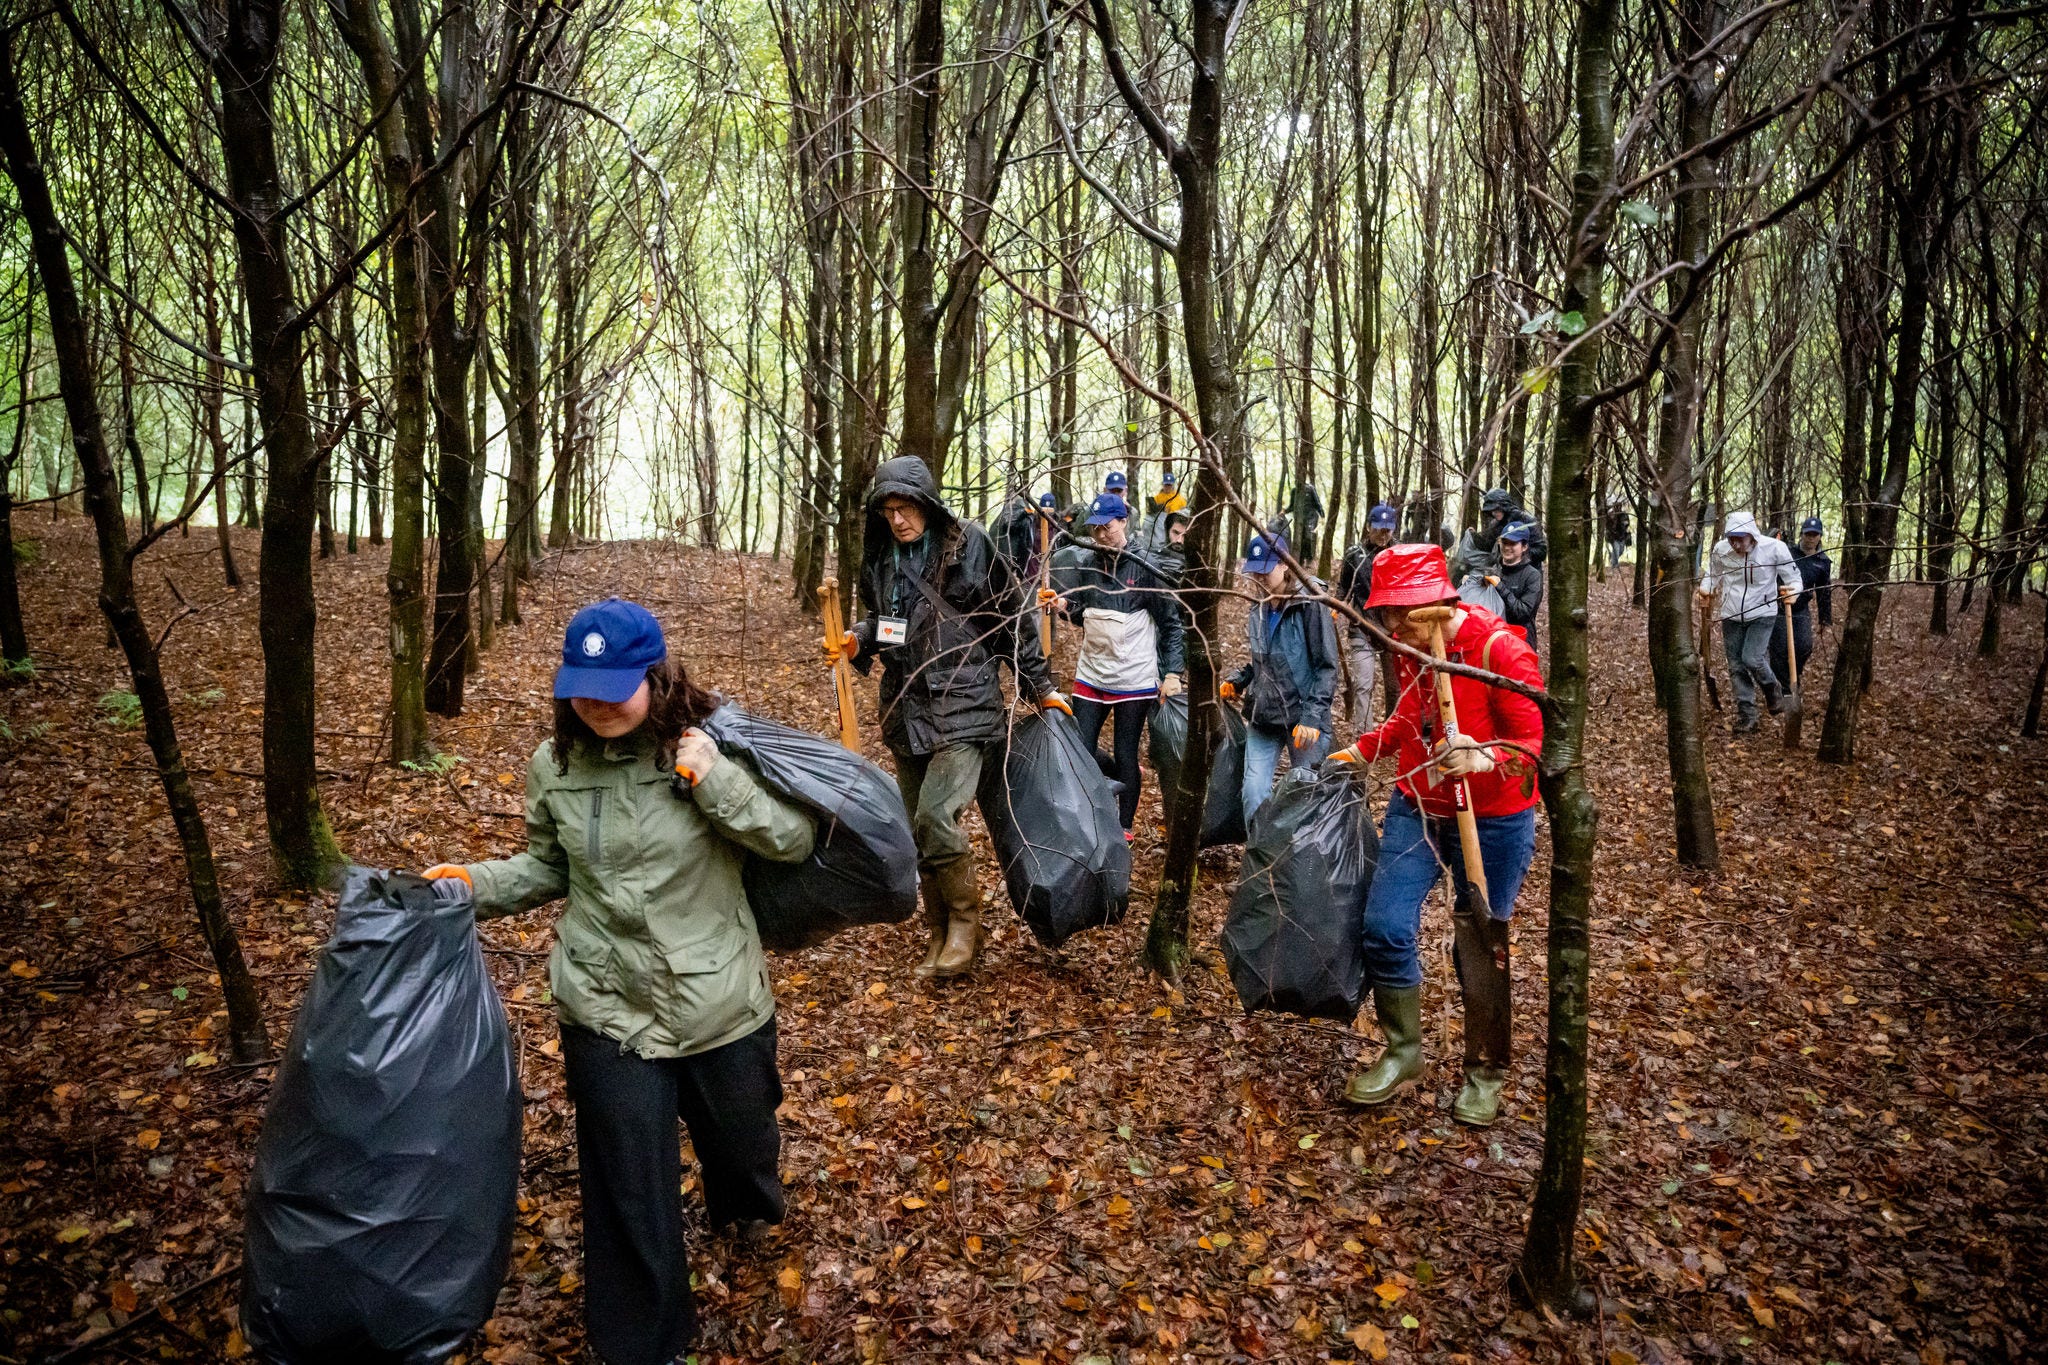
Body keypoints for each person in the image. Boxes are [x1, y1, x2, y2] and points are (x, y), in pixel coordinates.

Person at [422, 598, 815, 1365]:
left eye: (614, 687)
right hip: (606, 1005)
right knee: (628, 1185)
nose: (597, 703)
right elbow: (547, 866)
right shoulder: (556, 763)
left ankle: (744, 1207)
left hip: (719, 1000)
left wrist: (716, 783)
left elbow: (793, 839)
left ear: (655, 677)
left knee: (742, 1143)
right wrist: (471, 883)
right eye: (582, 687)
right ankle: (644, 1342)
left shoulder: (712, 744)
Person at [1325, 543, 1544, 1127]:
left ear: (1433, 605)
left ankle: (1485, 1072)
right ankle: (1404, 1051)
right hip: (1418, 804)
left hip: (1494, 818)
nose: (1391, 626)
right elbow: (1409, 716)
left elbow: (1533, 746)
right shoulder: (1411, 648)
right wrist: (1364, 749)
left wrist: (1484, 757)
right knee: (1385, 925)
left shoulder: (1500, 650)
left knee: (1479, 943)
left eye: (1399, 612)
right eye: (1386, 613)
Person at [833, 456, 1068, 978]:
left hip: (966, 703)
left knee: (935, 817)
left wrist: (1041, 686)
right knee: (920, 828)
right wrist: (860, 639)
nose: (897, 520)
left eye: (906, 508)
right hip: (906, 706)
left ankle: (965, 927)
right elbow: (891, 625)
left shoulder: (970, 544)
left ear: (927, 504)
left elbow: (1010, 617)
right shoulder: (883, 556)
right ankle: (938, 931)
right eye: (888, 511)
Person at [1047, 493, 1185, 840]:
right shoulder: (1088, 562)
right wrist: (1064, 605)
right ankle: (1093, 805)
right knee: (1080, 746)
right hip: (1092, 672)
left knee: (1126, 751)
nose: (1100, 535)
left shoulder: (1146, 565)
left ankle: (1124, 827)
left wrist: (1172, 673)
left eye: (1106, 528)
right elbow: (1085, 612)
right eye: (1094, 529)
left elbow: (1170, 624)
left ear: (1123, 522)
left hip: (1133, 678)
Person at [1222, 532, 1338, 827]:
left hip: (1303, 718)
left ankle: (1300, 855)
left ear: (1285, 564)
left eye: (1266, 569)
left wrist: (1312, 718)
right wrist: (1239, 680)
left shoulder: (1310, 602)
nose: (1259, 577)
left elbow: (1326, 667)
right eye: (1255, 571)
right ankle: (1259, 851)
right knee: (1253, 792)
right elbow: (1264, 661)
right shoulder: (1257, 608)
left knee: (1307, 795)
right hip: (1264, 714)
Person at [1698, 510, 1800, 735]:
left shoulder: (1774, 548)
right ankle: (1747, 716)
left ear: (1752, 535)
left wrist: (1793, 592)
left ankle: (1773, 689)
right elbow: (1713, 574)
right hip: (1731, 614)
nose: (1735, 544)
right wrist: (1706, 589)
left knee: (1752, 658)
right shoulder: (1721, 550)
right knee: (1736, 666)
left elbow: (1794, 578)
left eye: (1740, 538)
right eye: (1731, 538)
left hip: (1763, 612)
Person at [1335, 502, 1398, 727]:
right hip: (1362, 626)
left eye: (1388, 530)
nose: (1383, 535)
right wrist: (1336, 607)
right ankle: (1365, 736)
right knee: (1363, 685)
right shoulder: (1355, 555)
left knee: (1394, 687)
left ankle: (1391, 730)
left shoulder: (1399, 554)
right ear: (1368, 527)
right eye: (1379, 529)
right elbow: (1344, 587)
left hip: (1392, 630)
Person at [1770, 516, 1832, 693]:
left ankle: (1794, 676)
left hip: (1800, 609)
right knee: (1779, 649)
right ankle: (1784, 688)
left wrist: (1825, 619)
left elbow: (1824, 592)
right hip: (1779, 607)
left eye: (1814, 535)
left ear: (1820, 536)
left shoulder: (1822, 562)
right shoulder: (1787, 553)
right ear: (1802, 534)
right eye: (1807, 534)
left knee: (1804, 647)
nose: (1810, 538)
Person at [1454, 488, 1547, 578]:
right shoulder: (1496, 524)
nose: (1494, 513)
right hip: (1505, 575)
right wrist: (1475, 537)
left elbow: (1541, 551)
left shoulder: (1526, 520)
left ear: (1504, 506)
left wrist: (1517, 552)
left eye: (1496, 510)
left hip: (1528, 575)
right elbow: (1489, 548)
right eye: (1492, 511)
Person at [1492, 522, 1543, 648]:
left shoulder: (1532, 576)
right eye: (1504, 542)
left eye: (1513, 543)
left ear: (1524, 547)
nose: (1507, 547)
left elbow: (1524, 613)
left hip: (1521, 642)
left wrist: (1500, 587)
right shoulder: (1493, 570)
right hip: (1493, 640)